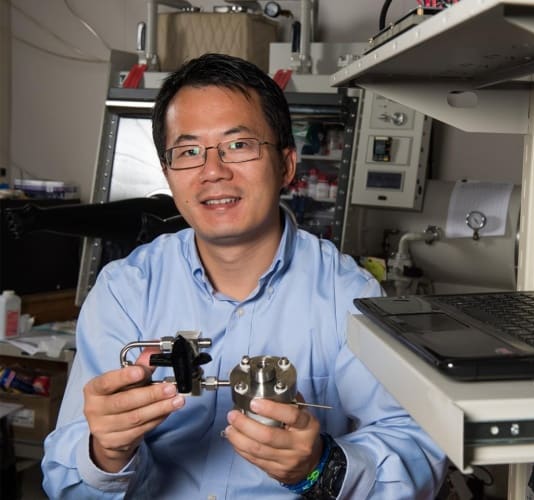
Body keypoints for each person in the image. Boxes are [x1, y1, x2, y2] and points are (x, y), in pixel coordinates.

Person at [42, 53, 446, 499]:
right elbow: (66, 484)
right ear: (168, 176)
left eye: (239, 145)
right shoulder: (125, 291)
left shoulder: (347, 296)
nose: (212, 171)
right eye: (189, 151)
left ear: (286, 165)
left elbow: (417, 448)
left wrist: (321, 466)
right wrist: (106, 452)